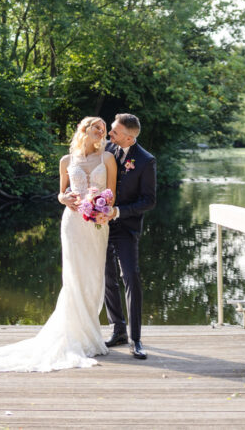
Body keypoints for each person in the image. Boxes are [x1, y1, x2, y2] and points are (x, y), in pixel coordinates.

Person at [0, 117, 117, 372]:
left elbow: (111, 193)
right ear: (84, 130)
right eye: (97, 127)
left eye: (104, 130)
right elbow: (61, 193)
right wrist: (64, 199)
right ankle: (75, 333)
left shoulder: (107, 159)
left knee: (94, 277)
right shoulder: (66, 160)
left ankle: (90, 333)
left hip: (97, 224)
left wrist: (100, 205)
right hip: (72, 222)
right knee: (73, 277)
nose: (101, 132)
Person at [102, 113, 157, 359]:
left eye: (114, 132)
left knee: (131, 277)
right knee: (107, 277)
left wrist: (119, 211)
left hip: (126, 226)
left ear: (128, 137)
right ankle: (118, 330)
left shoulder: (146, 161)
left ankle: (135, 339)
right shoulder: (106, 149)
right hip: (101, 225)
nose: (109, 135)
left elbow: (149, 201)